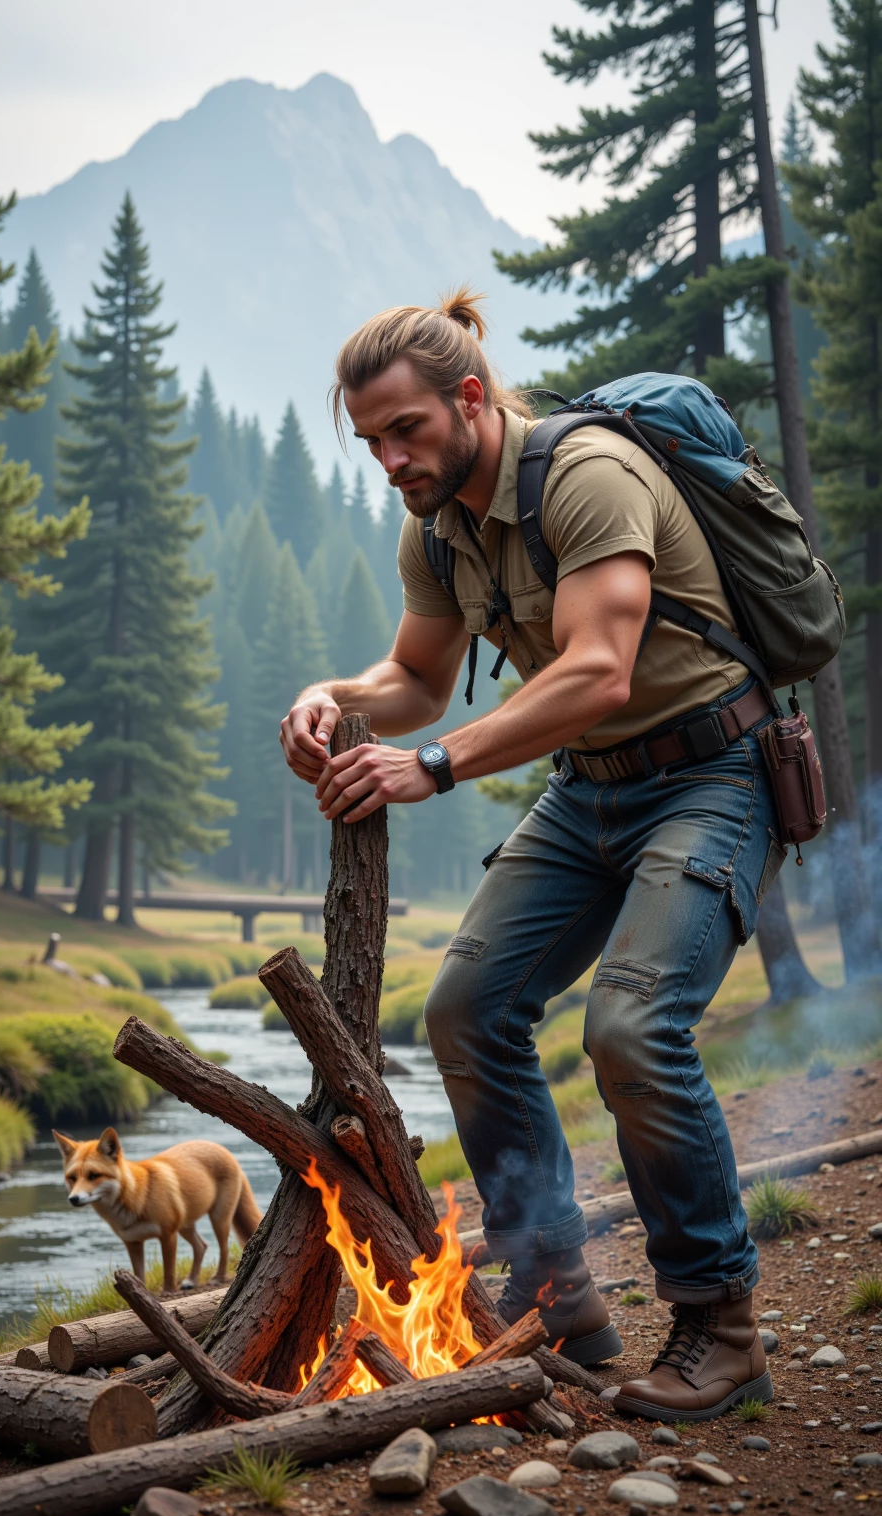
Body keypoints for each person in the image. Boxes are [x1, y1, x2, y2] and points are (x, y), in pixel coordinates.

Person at [279, 289, 778, 1422]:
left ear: (468, 398)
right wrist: (331, 694)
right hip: (588, 790)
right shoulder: (436, 524)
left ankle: (720, 1324)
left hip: (710, 773)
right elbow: (410, 677)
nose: (388, 460)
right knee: (466, 1009)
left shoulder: (587, 477)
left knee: (630, 1027)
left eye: (404, 431)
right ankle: (555, 1295)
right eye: (369, 442)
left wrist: (437, 765)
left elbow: (598, 667)